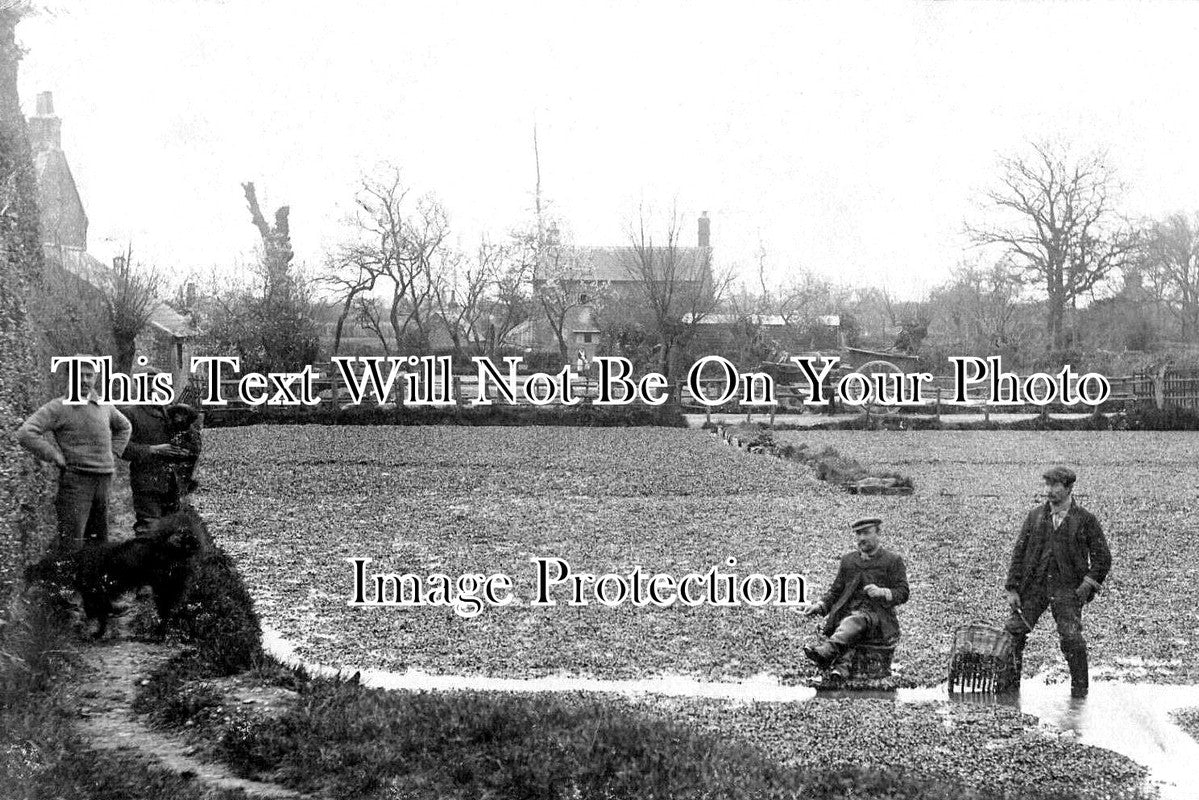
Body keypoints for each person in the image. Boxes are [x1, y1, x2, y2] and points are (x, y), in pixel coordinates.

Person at [1004, 466, 1110, 698]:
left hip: (1068, 590)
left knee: (1072, 639)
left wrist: (1087, 585)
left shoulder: (1085, 520)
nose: (1049, 491)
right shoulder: (1034, 516)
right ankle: (1009, 692)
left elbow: (1103, 558)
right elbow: (1019, 553)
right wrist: (1012, 588)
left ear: (1069, 488)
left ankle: (1080, 694)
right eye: (1047, 485)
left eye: (1055, 486)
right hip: (1033, 587)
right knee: (1013, 633)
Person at [18, 357, 132, 549]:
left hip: (104, 481)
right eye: (80, 375)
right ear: (70, 378)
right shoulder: (58, 407)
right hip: (77, 482)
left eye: (90, 375)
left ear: (96, 378)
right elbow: (26, 432)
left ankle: (93, 580)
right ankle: (71, 579)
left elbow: (125, 427)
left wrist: (113, 452)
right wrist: (54, 455)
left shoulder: (104, 405)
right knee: (73, 542)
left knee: (99, 542)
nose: (85, 380)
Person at [798, 517, 910, 684]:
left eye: (866, 533)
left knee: (854, 621)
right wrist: (820, 606)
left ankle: (828, 651)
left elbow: (903, 593)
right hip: (848, 613)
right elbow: (836, 591)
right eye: (858, 534)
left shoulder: (892, 560)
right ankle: (841, 670)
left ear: (878, 533)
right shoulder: (848, 560)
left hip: (878, 618)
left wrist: (882, 592)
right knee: (848, 622)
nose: (861, 538)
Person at [120, 373, 196, 533]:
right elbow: (123, 448)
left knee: (171, 534)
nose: (152, 388)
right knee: (149, 531)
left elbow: (189, 444)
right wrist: (154, 449)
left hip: (172, 484)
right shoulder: (130, 413)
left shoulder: (172, 413)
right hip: (147, 484)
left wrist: (184, 450)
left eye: (157, 383)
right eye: (146, 383)